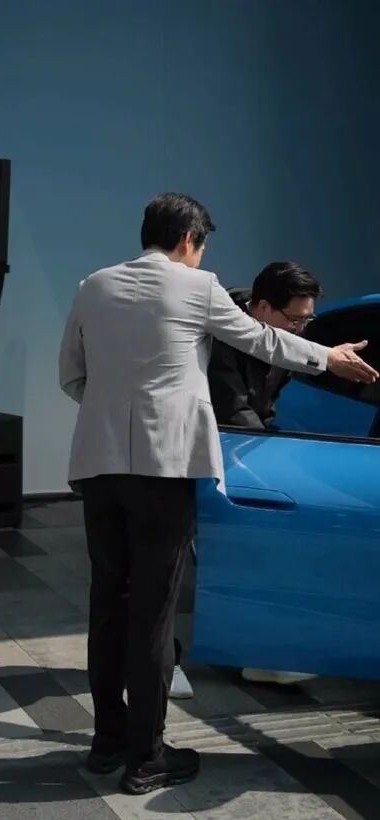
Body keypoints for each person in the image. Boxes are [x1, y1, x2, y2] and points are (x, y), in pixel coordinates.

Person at [58, 193, 377, 796]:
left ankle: (107, 744)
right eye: (201, 246)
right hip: (164, 471)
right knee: (153, 615)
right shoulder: (197, 286)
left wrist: (111, 416)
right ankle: (147, 758)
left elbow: (72, 375)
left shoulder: (92, 285)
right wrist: (329, 359)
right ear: (189, 240)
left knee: (108, 606)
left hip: (98, 468)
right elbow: (264, 341)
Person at [207, 260, 322, 685]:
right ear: (261, 307)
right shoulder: (223, 331)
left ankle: (261, 653)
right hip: (211, 451)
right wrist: (266, 461)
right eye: (295, 319)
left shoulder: (287, 337)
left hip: (248, 449)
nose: (300, 330)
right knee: (229, 557)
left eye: (307, 320)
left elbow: (264, 403)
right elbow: (232, 406)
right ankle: (240, 654)